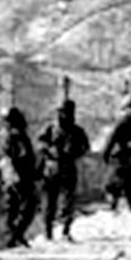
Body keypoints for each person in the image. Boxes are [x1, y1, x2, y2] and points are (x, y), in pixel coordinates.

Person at [38, 98, 91, 240]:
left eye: (67, 112)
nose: (64, 116)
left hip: (67, 167)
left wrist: (73, 152)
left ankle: (65, 231)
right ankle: (48, 232)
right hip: (52, 168)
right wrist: (50, 150)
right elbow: (41, 144)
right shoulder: (51, 129)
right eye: (62, 112)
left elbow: (85, 147)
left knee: (67, 202)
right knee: (50, 202)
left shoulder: (77, 131)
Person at [0, 106, 41, 248]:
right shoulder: (17, 136)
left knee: (13, 207)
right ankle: (15, 234)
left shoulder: (5, 135)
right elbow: (23, 157)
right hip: (20, 176)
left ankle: (13, 235)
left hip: (10, 176)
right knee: (28, 206)